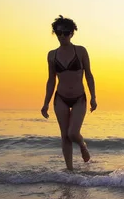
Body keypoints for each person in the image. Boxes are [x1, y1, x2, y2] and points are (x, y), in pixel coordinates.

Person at [41, 15, 97, 171]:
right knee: (64, 135)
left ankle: (82, 144)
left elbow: (89, 75)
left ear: (72, 33)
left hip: (79, 98)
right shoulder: (52, 55)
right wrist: (45, 103)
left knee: (73, 133)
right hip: (61, 98)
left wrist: (93, 97)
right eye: (59, 33)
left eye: (66, 33)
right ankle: (70, 172)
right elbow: (51, 80)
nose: (62, 36)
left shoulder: (80, 51)